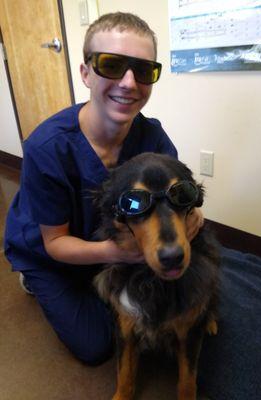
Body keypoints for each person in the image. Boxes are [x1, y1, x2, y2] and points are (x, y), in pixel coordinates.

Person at [4, 12, 203, 365]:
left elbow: (180, 205)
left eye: (142, 70)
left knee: (164, 304)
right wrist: (122, 254)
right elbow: (54, 242)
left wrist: (192, 221)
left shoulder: (153, 139)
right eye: (111, 65)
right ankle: (33, 281)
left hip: (113, 241)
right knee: (97, 344)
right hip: (52, 253)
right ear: (85, 73)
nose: (129, 82)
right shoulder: (47, 147)